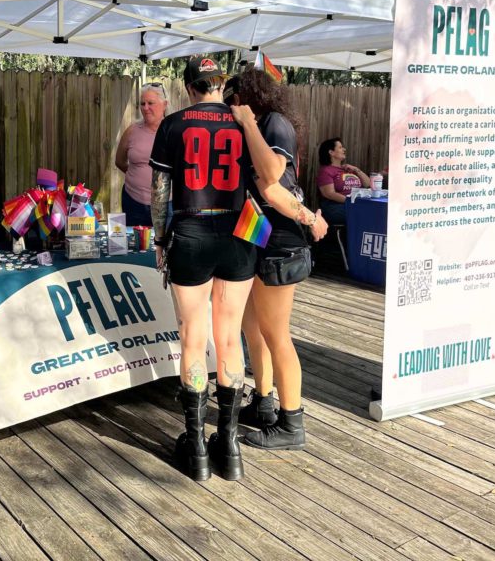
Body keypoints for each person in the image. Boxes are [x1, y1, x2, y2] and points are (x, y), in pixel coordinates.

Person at [149, 56, 256, 482]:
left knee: (193, 338)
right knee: (230, 339)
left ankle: (196, 449)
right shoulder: (242, 122)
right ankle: (227, 448)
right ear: (219, 85)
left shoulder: (173, 124)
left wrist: (160, 239)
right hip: (237, 232)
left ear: (190, 87)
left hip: (191, 231)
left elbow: (160, 192)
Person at [227, 71, 327, 450]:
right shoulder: (260, 125)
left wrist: (311, 219)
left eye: (234, 96)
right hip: (258, 236)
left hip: (281, 242)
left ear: (251, 96)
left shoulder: (273, 123)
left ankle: (291, 422)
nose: (230, 104)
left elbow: (271, 179)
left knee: (276, 334)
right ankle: (265, 401)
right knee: (254, 328)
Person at [115, 82, 169, 226]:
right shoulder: (132, 131)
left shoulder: (174, 131)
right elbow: (119, 161)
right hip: (133, 202)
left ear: (164, 104)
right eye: (142, 103)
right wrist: (138, 176)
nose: (145, 108)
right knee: (135, 245)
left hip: (166, 204)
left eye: (150, 103)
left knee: (164, 246)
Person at [316, 137, 371, 225]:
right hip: (336, 206)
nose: (344, 149)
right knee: (367, 214)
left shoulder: (349, 169)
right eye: (340, 147)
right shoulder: (326, 171)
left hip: (355, 204)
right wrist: (352, 202)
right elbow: (330, 194)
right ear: (331, 152)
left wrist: (356, 169)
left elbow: (368, 184)